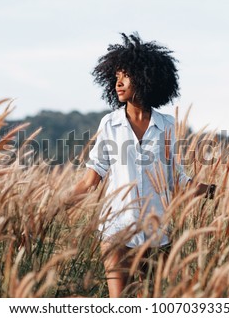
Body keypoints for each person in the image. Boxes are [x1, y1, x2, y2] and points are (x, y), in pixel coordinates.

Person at [67, 33, 214, 297]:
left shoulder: (167, 125)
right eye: (115, 77)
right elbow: (90, 180)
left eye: (125, 76)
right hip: (116, 228)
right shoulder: (109, 124)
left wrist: (211, 190)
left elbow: (176, 177)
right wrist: (55, 207)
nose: (118, 83)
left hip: (156, 230)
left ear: (146, 77)